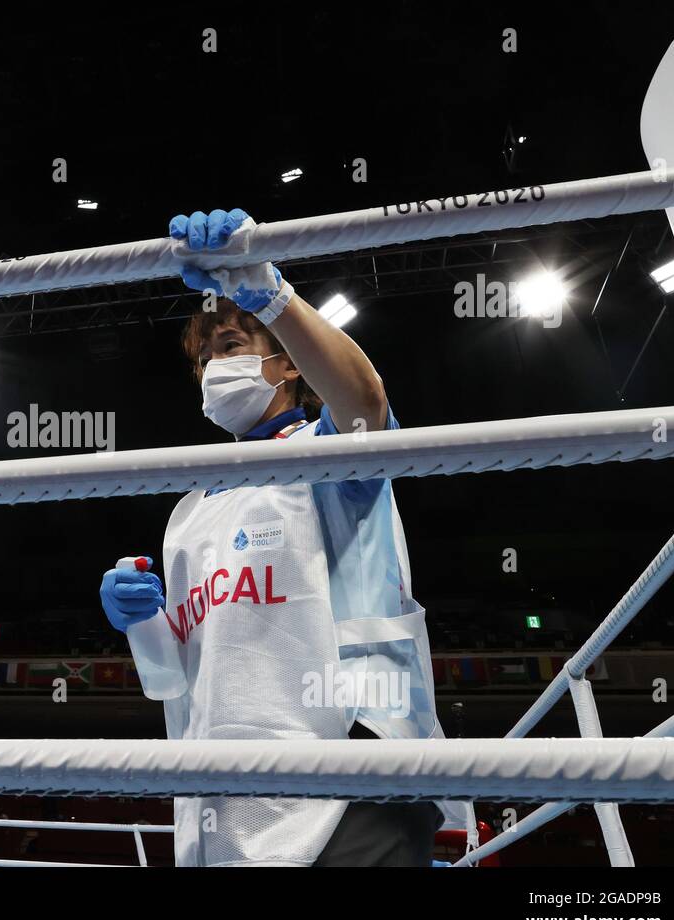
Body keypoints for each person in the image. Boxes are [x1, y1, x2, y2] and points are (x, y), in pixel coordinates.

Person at [99, 208, 460, 867]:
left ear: (285, 366)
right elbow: (171, 680)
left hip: (354, 765)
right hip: (225, 791)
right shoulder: (188, 510)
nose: (214, 367)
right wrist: (141, 622)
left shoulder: (324, 455)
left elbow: (365, 402)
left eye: (232, 347)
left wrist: (269, 292)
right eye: (206, 356)